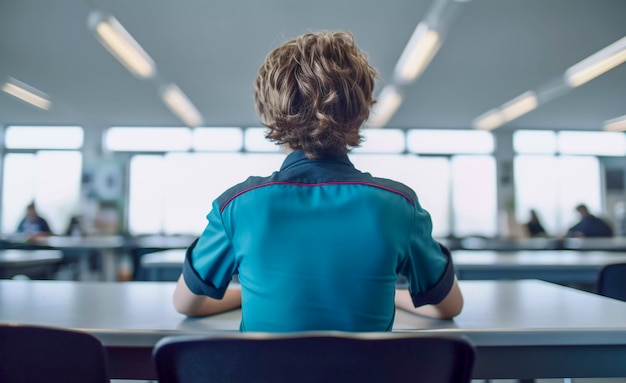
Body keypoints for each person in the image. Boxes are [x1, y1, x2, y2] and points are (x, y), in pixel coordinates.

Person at [173, 30, 463, 332]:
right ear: (360, 111)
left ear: (270, 114)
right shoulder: (398, 206)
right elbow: (448, 306)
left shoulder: (236, 207)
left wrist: (248, 292)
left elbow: (186, 303)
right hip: (369, 380)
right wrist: (391, 293)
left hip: (262, 380)